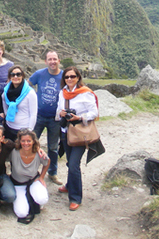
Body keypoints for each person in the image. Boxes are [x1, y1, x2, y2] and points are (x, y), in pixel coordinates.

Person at [56, 66, 99, 211]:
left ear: (78, 78)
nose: (69, 79)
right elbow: (57, 110)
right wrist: (61, 113)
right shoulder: (62, 93)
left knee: (74, 164)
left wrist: (80, 117)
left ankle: (75, 197)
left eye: (72, 76)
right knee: (70, 162)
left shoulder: (85, 94)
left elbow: (94, 112)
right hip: (65, 132)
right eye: (67, 77)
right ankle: (69, 185)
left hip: (80, 133)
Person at [29, 50, 63, 185]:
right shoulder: (39, 74)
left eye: (55, 59)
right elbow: (27, 85)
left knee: (53, 147)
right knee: (31, 144)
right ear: (46, 61)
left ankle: (52, 173)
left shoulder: (64, 76)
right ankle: (30, 171)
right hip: (38, 116)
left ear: (59, 60)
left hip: (55, 119)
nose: (52, 62)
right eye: (50, 59)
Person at [10, 129, 50, 224]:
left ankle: (32, 197)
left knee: (42, 199)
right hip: (17, 184)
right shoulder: (13, 152)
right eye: (23, 141)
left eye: (29, 141)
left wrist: (42, 177)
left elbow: (47, 162)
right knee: (22, 213)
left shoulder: (38, 152)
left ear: (33, 141)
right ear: (19, 141)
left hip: (33, 181)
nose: (26, 143)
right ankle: (22, 199)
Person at [2, 66, 38, 141]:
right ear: (9, 77)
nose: (15, 77)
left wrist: (29, 131)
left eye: (18, 74)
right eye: (13, 74)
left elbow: (33, 114)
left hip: (23, 130)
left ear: (22, 76)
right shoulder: (6, 91)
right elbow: (4, 105)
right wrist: (7, 116)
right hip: (9, 127)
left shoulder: (30, 93)